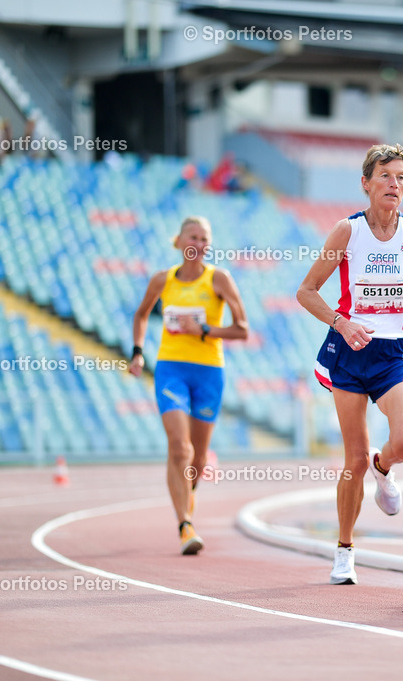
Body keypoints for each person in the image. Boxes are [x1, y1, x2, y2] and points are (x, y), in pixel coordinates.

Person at [296, 143, 403, 585]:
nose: (394, 185)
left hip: (393, 352)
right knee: (354, 459)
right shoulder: (348, 232)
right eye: (385, 176)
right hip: (349, 351)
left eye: (401, 178)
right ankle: (344, 550)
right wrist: (342, 324)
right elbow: (306, 291)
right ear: (366, 183)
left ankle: (386, 469)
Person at [129, 216, 249, 555]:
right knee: (179, 448)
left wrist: (206, 331)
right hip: (171, 369)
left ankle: (187, 498)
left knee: (196, 459)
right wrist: (138, 352)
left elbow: (243, 329)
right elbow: (140, 315)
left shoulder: (219, 279)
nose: (200, 242)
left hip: (210, 371)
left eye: (205, 238)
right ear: (180, 241)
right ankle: (185, 525)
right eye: (193, 236)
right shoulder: (162, 280)